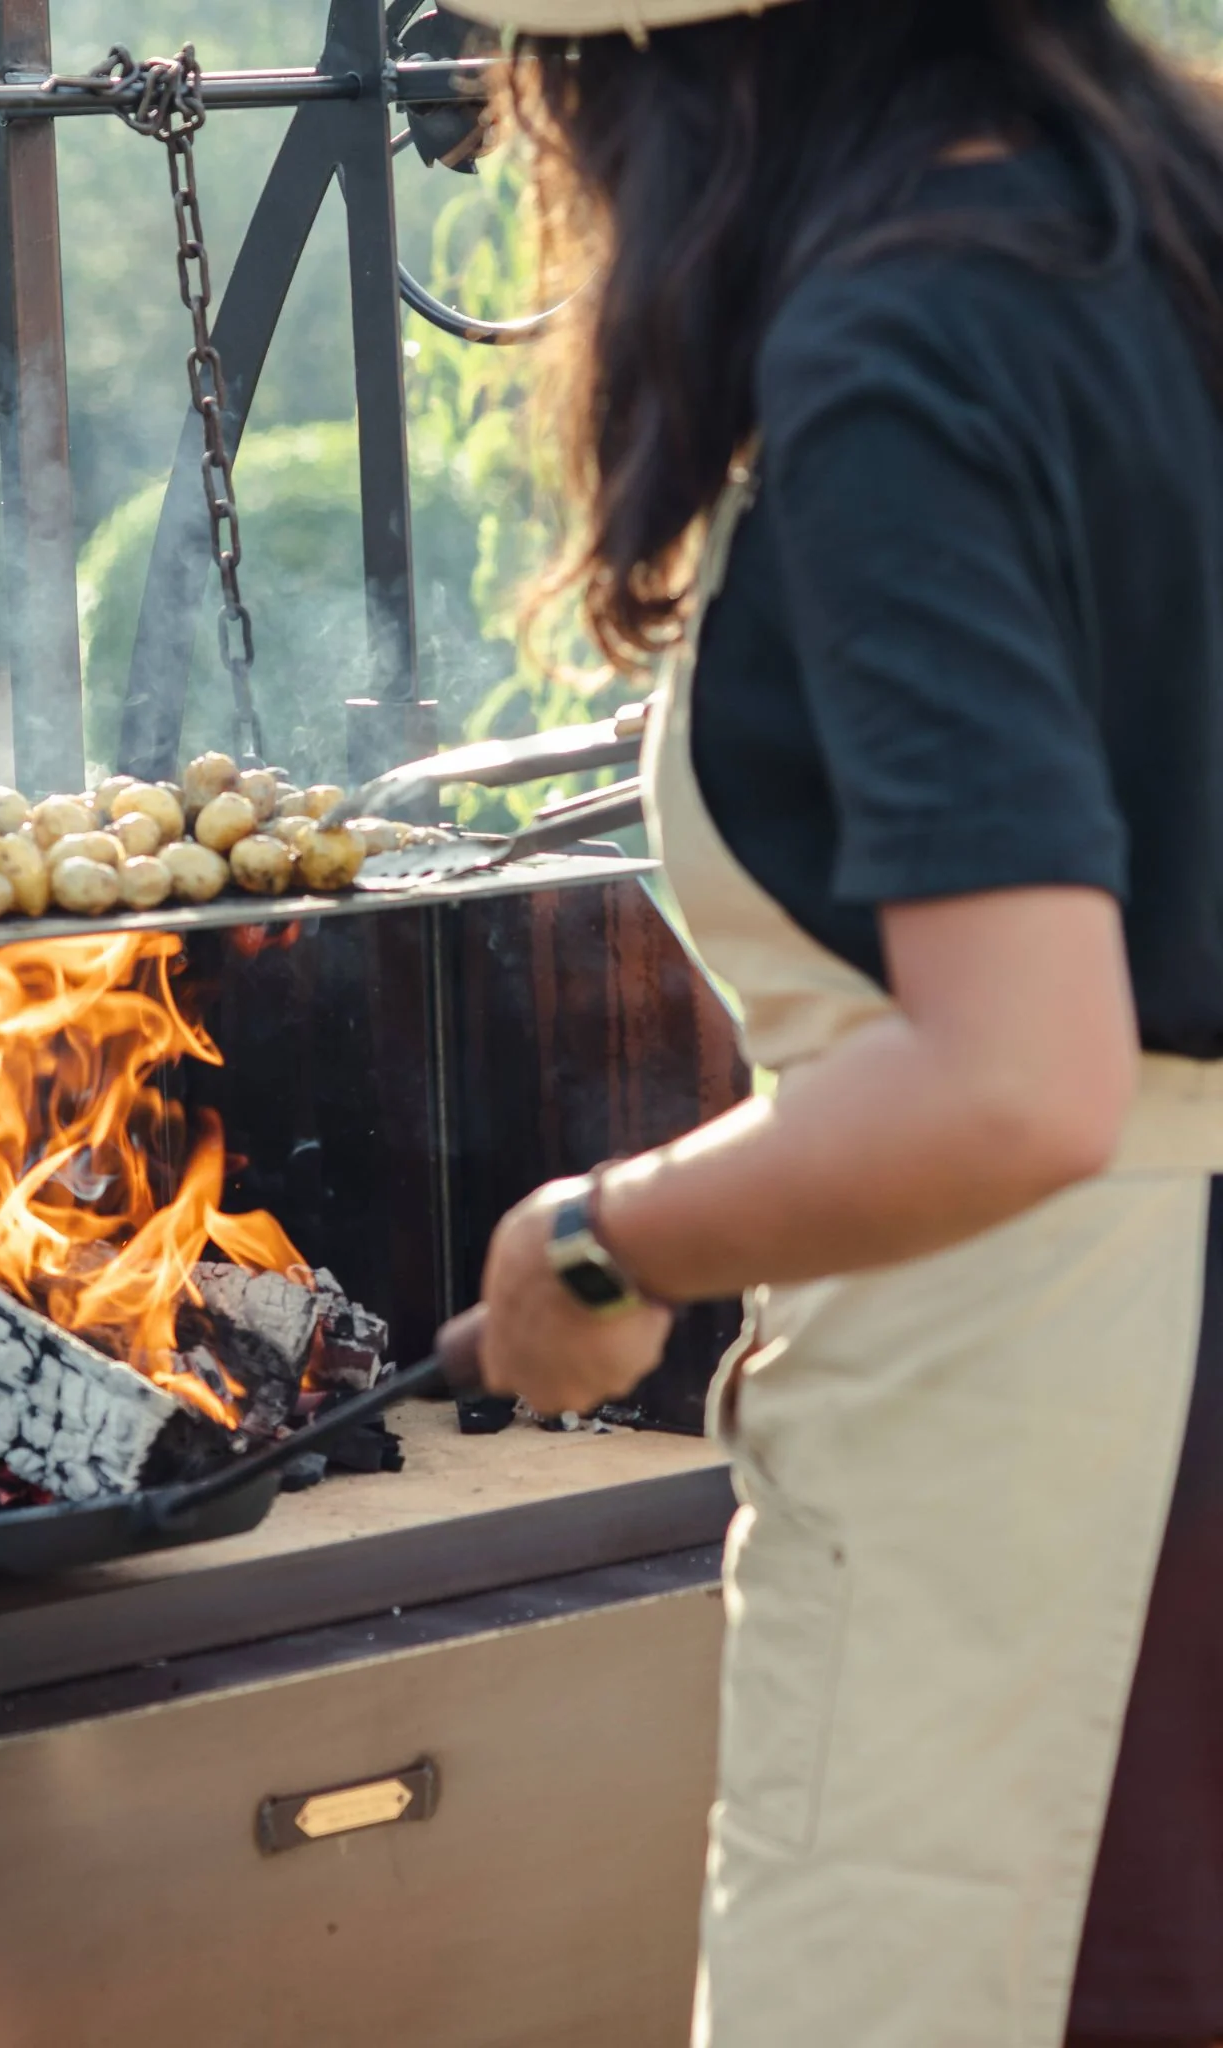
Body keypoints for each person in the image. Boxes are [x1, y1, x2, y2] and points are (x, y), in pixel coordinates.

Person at [434, 3, 1223, 2044]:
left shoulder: (908, 352)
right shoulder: (1170, 237)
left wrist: (597, 1242)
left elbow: (1020, 1073)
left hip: (1071, 1436)